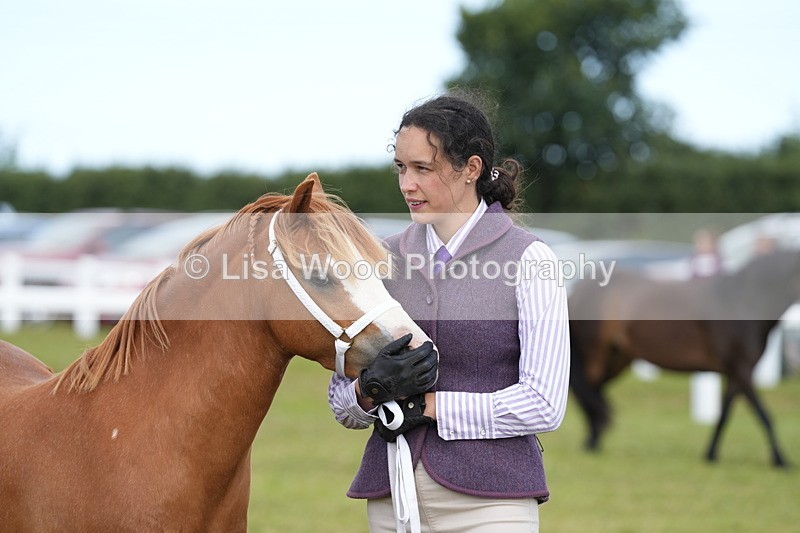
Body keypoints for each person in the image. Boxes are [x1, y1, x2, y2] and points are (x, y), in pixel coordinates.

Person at [328, 92, 570, 533]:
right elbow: (340, 402)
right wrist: (368, 390)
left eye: (423, 168)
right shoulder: (381, 259)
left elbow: (544, 404)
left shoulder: (530, 259)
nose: (407, 184)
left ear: (471, 170)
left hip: (492, 504)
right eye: (401, 168)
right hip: (391, 498)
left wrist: (430, 406)